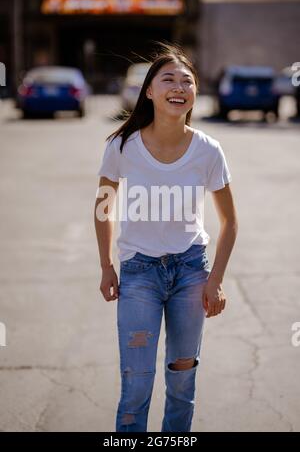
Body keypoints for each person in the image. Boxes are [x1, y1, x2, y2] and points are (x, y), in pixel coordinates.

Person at [94, 42, 238, 432]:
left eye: (187, 81)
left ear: (194, 92)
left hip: (191, 272)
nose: (179, 87)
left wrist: (215, 281)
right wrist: (108, 266)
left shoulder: (209, 150)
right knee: (136, 388)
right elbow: (103, 208)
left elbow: (230, 222)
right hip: (139, 274)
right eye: (168, 79)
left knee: (181, 382)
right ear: (149, 91)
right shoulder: (121, 146)